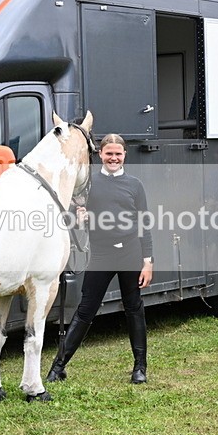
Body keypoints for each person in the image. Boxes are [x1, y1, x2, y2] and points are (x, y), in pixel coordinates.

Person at [46, 133, 154, 384]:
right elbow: (73, 218)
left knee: (134, 310)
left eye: (118, 153)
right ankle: (57, 367)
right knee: (85, 311)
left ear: (125, 155)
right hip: (101, 254)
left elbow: (144, 225)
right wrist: (79, 218)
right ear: (101, 155)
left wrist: (148, 261)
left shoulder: (135, 185)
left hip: (130, 253)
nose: (113, 158)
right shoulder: (89, 184)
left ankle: (140, 368)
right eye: (109, 154)